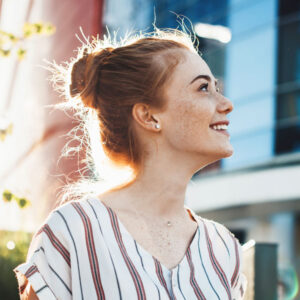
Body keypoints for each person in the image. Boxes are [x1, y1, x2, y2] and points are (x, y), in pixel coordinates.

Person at [13, 26, 248, 299]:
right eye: (203, 87)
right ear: (148, 116)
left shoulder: (224, 248)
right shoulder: (72, 230)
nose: (227, 103)